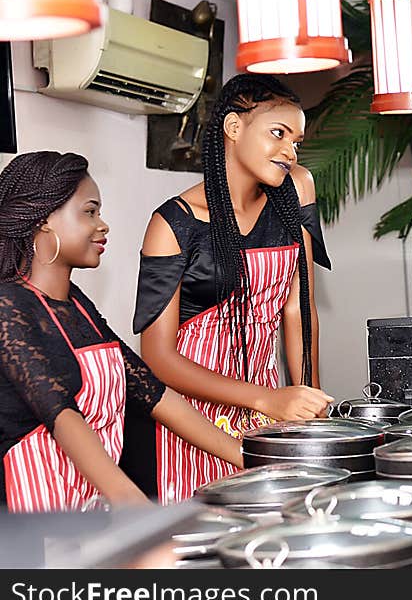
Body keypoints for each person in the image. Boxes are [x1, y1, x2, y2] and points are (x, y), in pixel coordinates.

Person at [0, 151, 242, 512]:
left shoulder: (77, 304)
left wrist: (245, 455)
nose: (103, 224)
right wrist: (132, 504)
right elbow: (61, 414)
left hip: (89, 511)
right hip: (36, 523)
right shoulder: (8, 305)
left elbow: (152, 392)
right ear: (45, 218)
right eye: (90, 211)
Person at [132, 74, 334, 505]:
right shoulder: (172, 223)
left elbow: (299, 311)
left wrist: (308, 407)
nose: (289, 151)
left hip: (269, 411)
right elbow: (158, 358)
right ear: (233, 127)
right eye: (278, 133)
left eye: (296, 141)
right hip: (187, 422)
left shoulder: (296, 189)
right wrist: (268, 398)